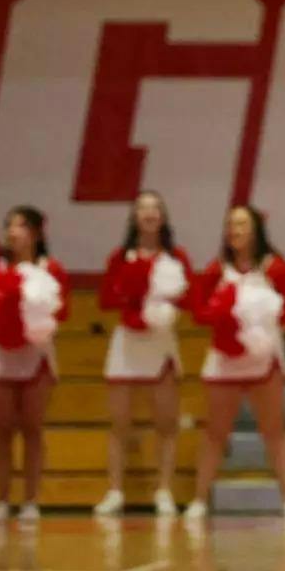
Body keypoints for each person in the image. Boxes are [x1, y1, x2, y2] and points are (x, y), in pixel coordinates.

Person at [187, 205, 285, 525]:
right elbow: (198, 313)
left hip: (265, 358)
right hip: (225, 359)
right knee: (215, 433)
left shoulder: (275, 269)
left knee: (274, 431)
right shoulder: (215, 270)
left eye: (242, 224)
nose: (235, 230)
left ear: (256, 230)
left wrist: (262, 316)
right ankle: (199, 500)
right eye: (231, 225)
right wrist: (224, 316)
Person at [94, 190, 194, 518]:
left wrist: (166, 306)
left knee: (165, 421)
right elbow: (105, 299)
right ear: (134, 217)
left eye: (155, 208)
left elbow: (190, 298)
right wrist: (129, 293)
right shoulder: (120, 256)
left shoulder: (176, 257)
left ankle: (163, 490)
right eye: (143, 208)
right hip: (127, 341)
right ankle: (115, 491)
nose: (149, 214)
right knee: (119, 422)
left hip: (161, 340)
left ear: (163, 217)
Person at [0, 207, 68, 525]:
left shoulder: (50, 268)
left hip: (37, 355)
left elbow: (63, 311)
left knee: (32, 428)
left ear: (37, 233)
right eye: (9, 226)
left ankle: (31, 500)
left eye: (21, 226)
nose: (14, 232)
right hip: (1, 354)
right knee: (1, 430)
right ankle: (1, 499)